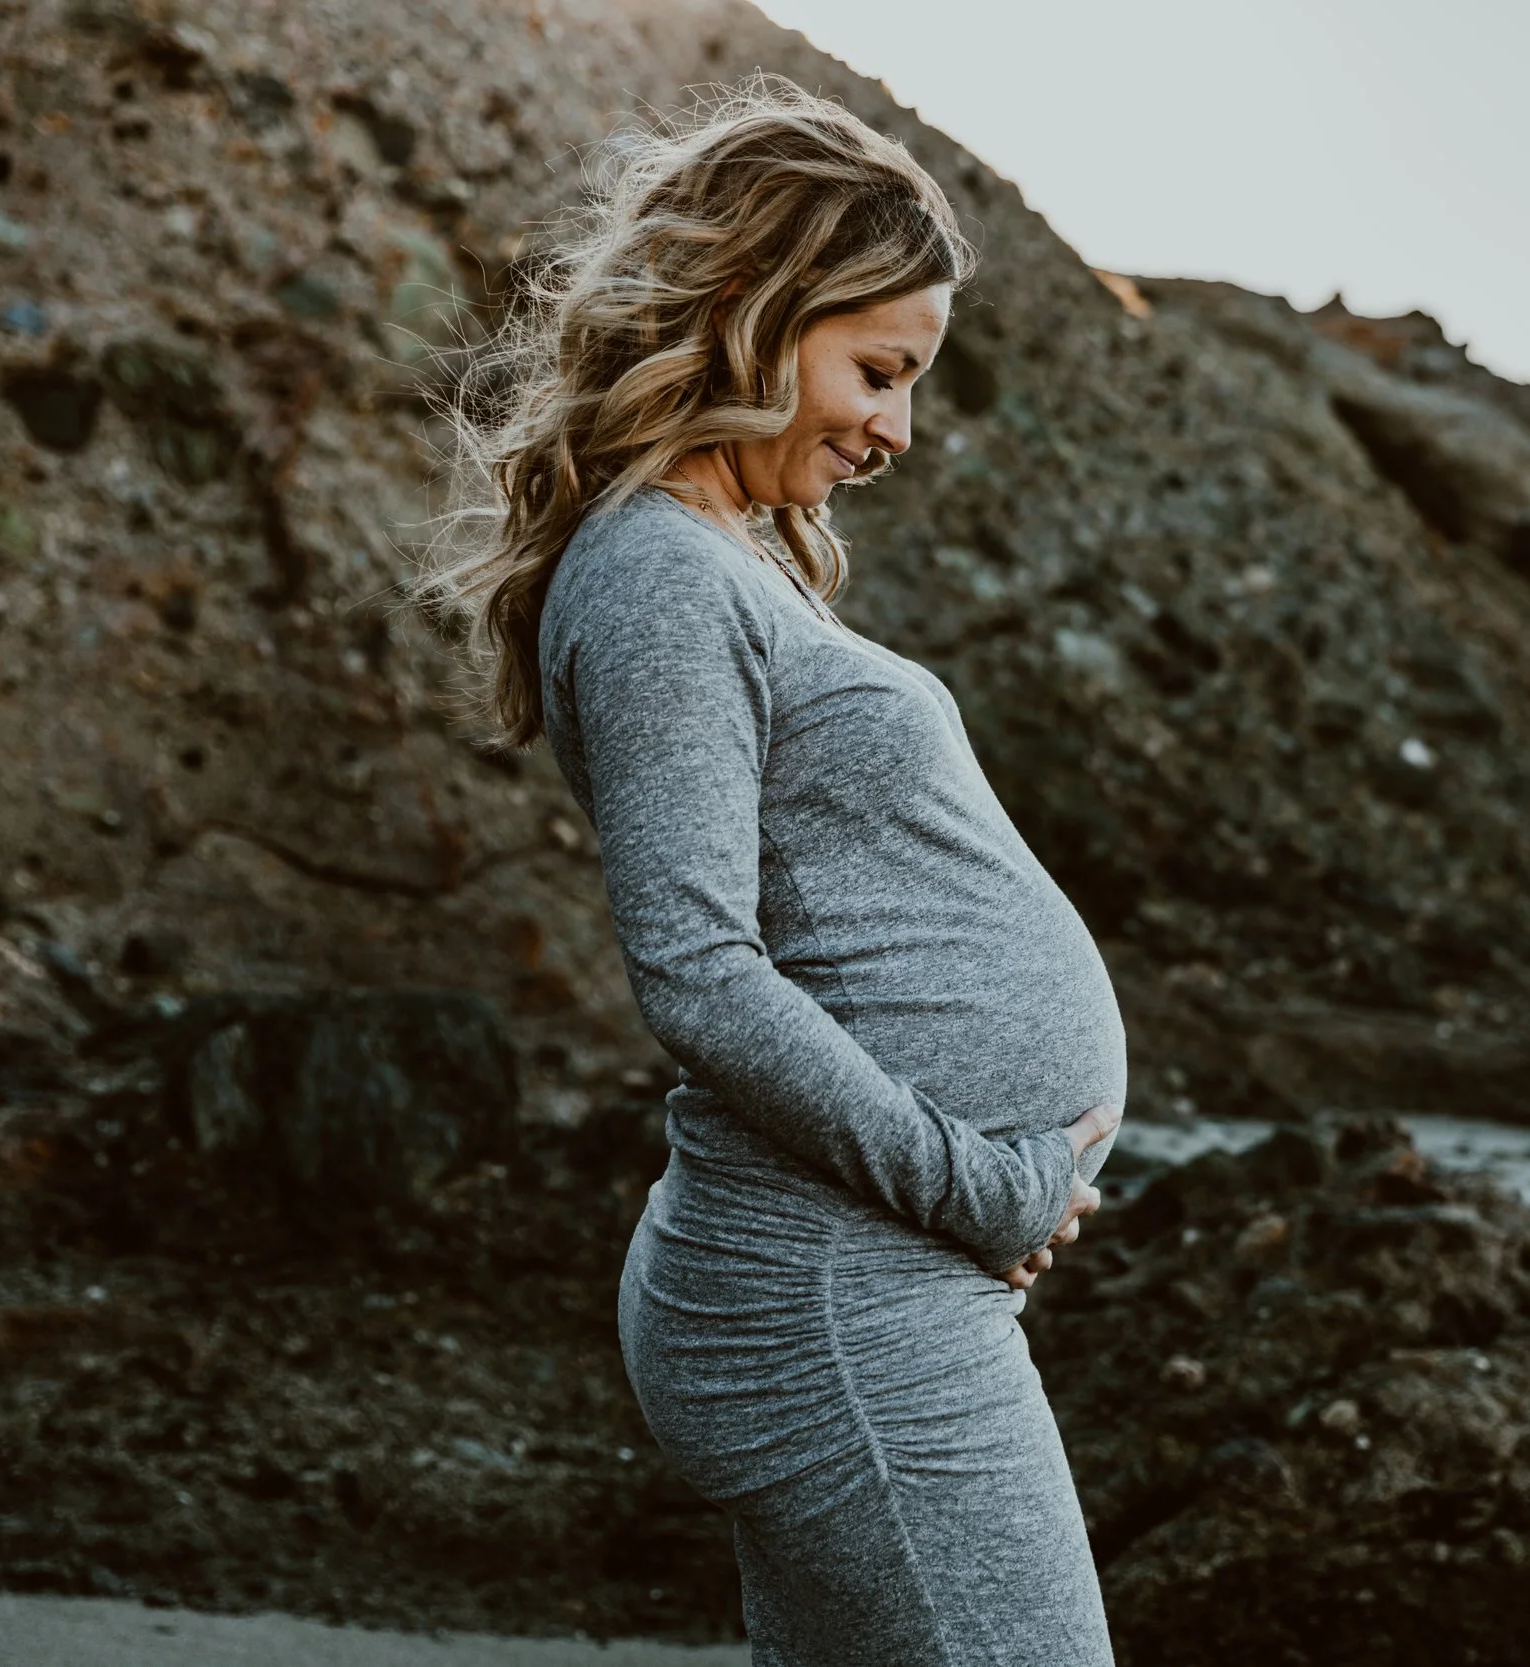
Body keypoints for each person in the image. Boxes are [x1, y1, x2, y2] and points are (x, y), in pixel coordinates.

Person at [415, 76, 1124, 1666]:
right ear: (753, 310)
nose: (897, 429)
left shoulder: (721, 559)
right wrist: (978, 1179)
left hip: (857, 1287)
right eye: (879, 370)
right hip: (836, 1301)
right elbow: (697, 969)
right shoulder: (661, 571)